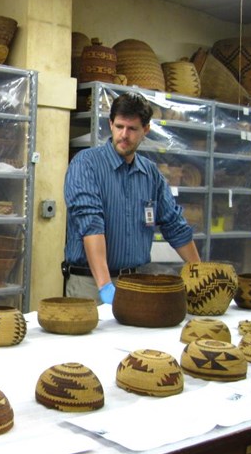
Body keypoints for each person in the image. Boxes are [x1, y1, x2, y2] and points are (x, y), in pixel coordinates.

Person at [63, 92, 200, 305]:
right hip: (91, 284)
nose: (124, 135)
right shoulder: (86, 164)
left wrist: (199, 273)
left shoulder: (151, 174)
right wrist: (105, 286)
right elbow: (90, 224)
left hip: (136, 283)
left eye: (132, 129)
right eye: (119, 126)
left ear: (145, 130)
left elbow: (175, 225)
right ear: (110, 124)